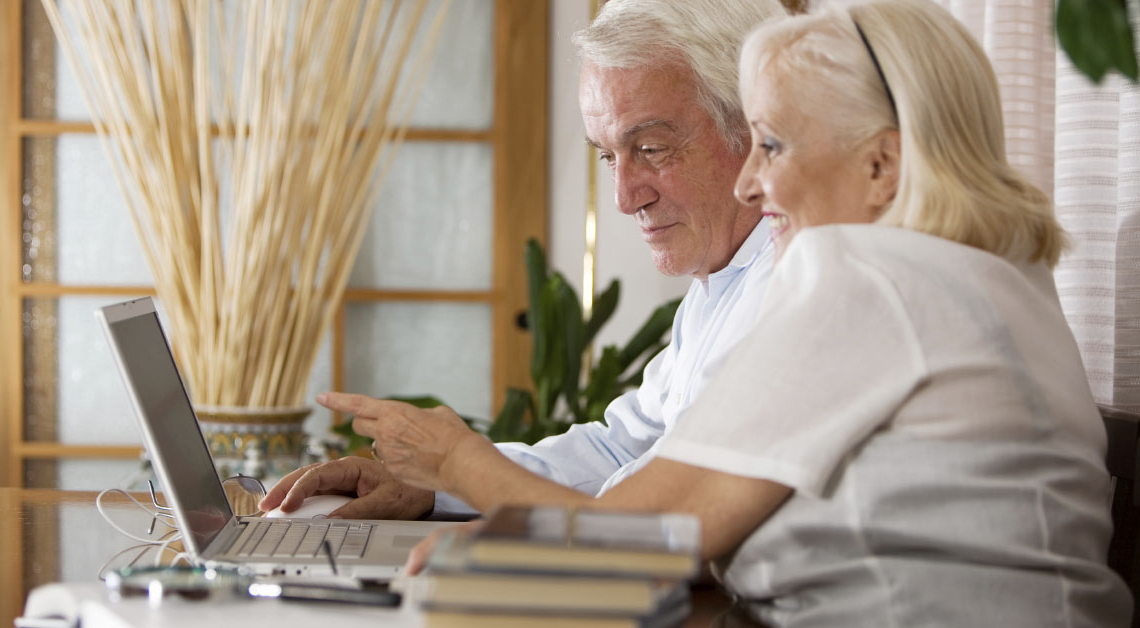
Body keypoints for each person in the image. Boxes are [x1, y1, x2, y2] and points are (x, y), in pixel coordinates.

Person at [295, 1, 1134, 624]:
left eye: (772, 144)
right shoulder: (986, 267)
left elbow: (637, 536)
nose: (750, 182)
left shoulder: (871, 276)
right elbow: (642, 469)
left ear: (883, 166)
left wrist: (456, 466)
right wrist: (449, 493)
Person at [260, 0, 788, 520]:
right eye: (608, 156)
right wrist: (430, 487)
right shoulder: (723, 283)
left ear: (755, 127)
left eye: (651, 148)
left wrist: (457, 465)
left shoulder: (790, 287)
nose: (625, 199)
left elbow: (653, 519)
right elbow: (619, 453)